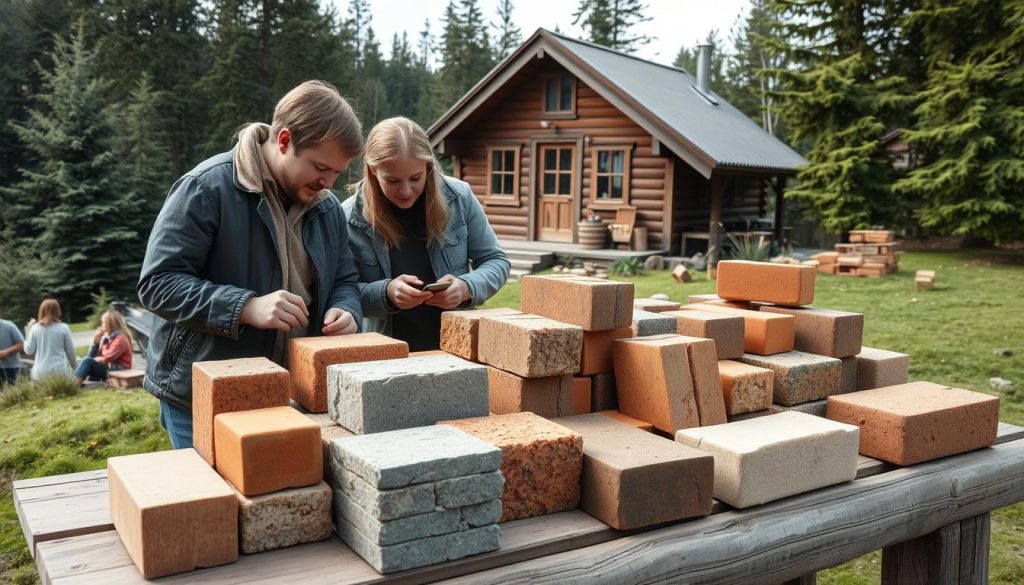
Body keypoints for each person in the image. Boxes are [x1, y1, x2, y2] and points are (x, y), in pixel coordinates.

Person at [138, 80, 365, 449]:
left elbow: (346, 278)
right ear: (285, 140)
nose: (328, 183)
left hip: (290, 394)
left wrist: (347, 308)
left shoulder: (326, 209)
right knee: (211, 506)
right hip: (202, 396)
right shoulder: (206, 189)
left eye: (337, 173)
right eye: (321, 167)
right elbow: (158, 284)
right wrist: (245, 307)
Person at [343, 117, 510, 351]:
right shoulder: (348, 217)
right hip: (383, 354)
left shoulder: (459, 198)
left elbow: (496, 261)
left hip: (455, 349)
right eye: (392, 180)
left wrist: (465, 287)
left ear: (428, 167)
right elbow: (342, 291)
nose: (406, 190)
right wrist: (386, 293)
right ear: (372, 171)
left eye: (415, 178)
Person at [73, 310, 133, 386]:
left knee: (86, 361)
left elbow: (108, 358)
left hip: (120, 369)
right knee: (84, 361)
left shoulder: (120, 338)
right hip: (110, 367)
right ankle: (75, 383)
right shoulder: (108, 338)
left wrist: (98, 359)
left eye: (103, 323)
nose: (102, 325)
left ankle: (73, 385)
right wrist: (95, 343)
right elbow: (91, 357)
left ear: (111, 324)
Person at [23, 299, 77, 381]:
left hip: (39, 373)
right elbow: (71, 354)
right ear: (58, 311)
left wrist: (28, 330)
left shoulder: (35, 328)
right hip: (59, 371)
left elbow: (28, 350)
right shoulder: (64, 328)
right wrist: (76, 370)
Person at [0, 310, 25, 386]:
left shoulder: (9, 326)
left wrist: (6, 351)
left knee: (13, 395)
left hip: (11, 368)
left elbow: (21, 344)